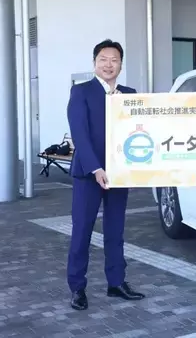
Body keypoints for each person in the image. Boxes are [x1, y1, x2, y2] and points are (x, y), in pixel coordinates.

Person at [66, 39, 145, 311]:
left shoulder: (129, 94)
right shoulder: (81, 91)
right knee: (82, 231)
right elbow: (79, 133)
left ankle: (116, 282)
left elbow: (141, 129)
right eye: (103, 59)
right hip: (89, 174)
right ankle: (77, 287)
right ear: (94, 63)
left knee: (115, 230)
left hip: (119, 174)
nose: (108, 64)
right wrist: (96, 168)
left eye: (114, 60)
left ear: (121, 65)